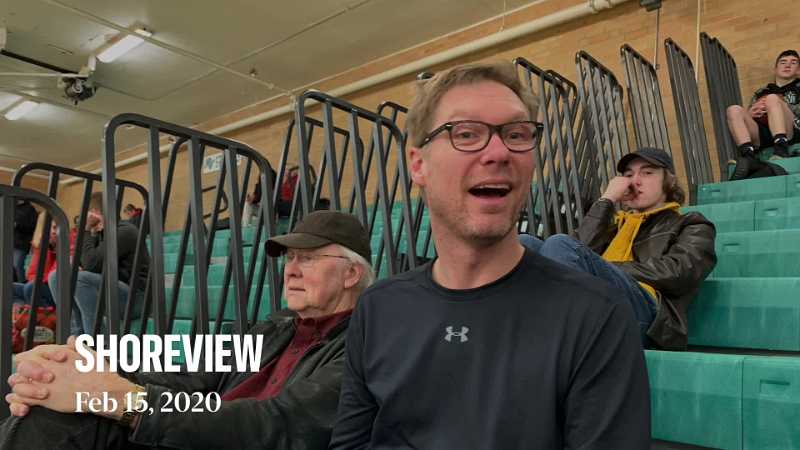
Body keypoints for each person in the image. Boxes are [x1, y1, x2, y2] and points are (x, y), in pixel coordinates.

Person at [330, 62, 650, 449]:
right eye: (466, 133)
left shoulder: (597, 315)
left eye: (517, 134)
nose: (499, 152)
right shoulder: (378, 307)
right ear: (418, 165)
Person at [1, 210, 375, 449]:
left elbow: (276, 425)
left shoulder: (366, 345)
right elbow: (192, 376)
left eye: (307, 258)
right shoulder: (275, 328)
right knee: (50, 401)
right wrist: (87, 372)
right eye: (290, 258)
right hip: (193, 433)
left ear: (351, 274)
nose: (290, 270)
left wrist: (125, 400)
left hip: (222, 438)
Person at [520, 148, 717, 350]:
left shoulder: (691, 224)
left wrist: (604, 267)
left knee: (558, 244)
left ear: (669, 181)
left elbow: (678, 272)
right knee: (525, 244)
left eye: (647, 173)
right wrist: (607, 200)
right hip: (595, 303)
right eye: (628, 175)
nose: (635, 181)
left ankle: (545, 337)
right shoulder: (612, 228)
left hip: (646, 315)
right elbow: (577, 249)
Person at [48, 192, 150, 336]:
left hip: (137, 299)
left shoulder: (125, 231)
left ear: (95, 213)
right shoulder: (99, 234)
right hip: (113, 291)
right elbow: (83, 263)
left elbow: (90, 264)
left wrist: (86, 230)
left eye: (87, 215)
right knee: (56, 277)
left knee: (79, 279)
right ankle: (77, 336)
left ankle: (99, 342)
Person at [726, 49, 800, 175]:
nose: (787, 65)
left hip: (791, 130)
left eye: (793, 62)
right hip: (764, 133)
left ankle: (781, 149)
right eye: (783, 62)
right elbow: (749, 117)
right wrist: (750, 113)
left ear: (798, 70)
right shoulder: (762, 91)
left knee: (771, 99)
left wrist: (779, 104)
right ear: (775, 69)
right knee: (733, 110)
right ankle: (748, 156)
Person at [11, 213, 76, 307]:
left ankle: (39, 313)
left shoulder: (70, 243)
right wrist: (47, 247)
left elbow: (55, 276)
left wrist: (39, 280)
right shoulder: (45, 243)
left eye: (56, 228)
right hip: (43, 284)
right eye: (52, 228)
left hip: (58, 290)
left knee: (31, 288)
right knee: (9, 288)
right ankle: (24, 311)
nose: (54, 232)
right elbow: (31, 273)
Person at [13, 199, 38, 282]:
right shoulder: (11, 206)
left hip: (21, 244)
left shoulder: (30, 209)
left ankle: (22, 285)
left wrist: (18, 224)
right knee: (9, 267)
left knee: (17, 265)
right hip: (10, 242)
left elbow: (34, 226)